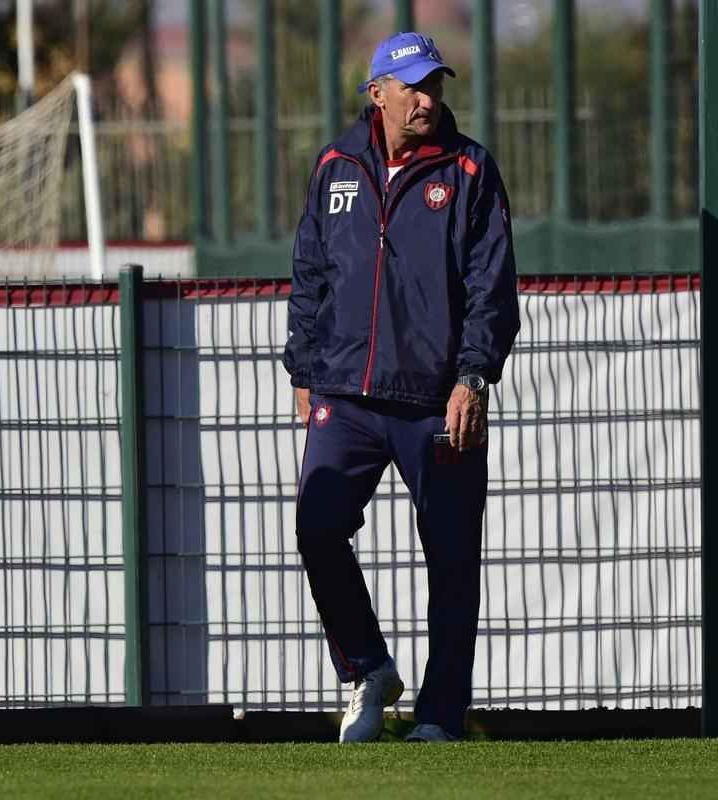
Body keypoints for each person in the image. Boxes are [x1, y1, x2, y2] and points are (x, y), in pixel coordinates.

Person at [283, 32, 520, 743]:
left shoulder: (471, 168)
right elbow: (309, 274)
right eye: (412, 85)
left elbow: (492, 287)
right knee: (317, 528)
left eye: (434, 85)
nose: (427, 98)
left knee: (451, 557)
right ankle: (367, 667)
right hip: (346, 395)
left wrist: (473, 375)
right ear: (376, 92)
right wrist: (304, 367)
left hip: (436, 398)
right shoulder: (335, 165)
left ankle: (441, 716)